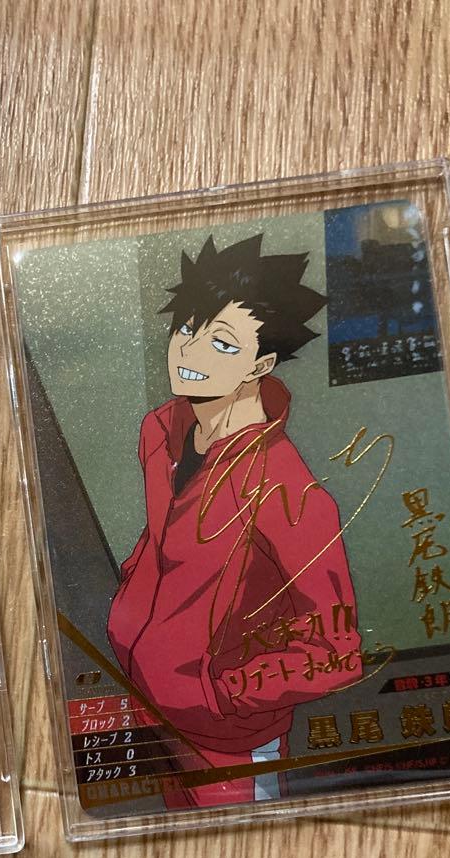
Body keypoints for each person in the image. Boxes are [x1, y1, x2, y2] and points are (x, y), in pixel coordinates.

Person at [106, 234, 361, 807]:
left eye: (221, 343)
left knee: (243, 852)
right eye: (186, 329)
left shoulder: (286, 490)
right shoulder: (162, 433)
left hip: (232, 742)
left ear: (261, 364)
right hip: (148, 704)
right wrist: (132, 605)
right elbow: (165, 543)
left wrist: (219, 692)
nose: (189, 352)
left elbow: (336, 650)